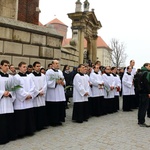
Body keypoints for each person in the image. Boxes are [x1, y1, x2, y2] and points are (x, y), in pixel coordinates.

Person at [14, 62, 36, 138]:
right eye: (23, 67)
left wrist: (30, 94)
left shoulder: (29, 77)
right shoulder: (16, 77)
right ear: (19, 67)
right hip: (20, 101)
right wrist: (25, 95)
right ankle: (21, 132)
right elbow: (17, 88)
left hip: (29, 100)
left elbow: (33, 86)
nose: (25, 68)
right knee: (21, 117)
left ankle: (29, 131)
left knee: (29, 116)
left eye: (26, 67)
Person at [0, 60, 16, 144]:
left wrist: (10, 93)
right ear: (1, 66)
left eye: (8, 66)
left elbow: (13, 88)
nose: (7, 67)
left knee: (8, 119)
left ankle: (9, 136)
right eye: (5, 65)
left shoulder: (11, 77)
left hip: (9, 101)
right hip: (1, 101)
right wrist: (2, 93)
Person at [45, 59, 66, 126]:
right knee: (53, 108)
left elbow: (63, 79)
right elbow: (47, 82)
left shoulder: (60, 72)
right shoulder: (49, 72)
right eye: (56, 63)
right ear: (52, 64)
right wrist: (55, 82)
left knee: (60, 107)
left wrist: (63, 82)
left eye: (58, 63)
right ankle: (53, 121)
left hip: (60, 91)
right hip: (53, 94)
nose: (57, 64)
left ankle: (59, 120)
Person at [29, 61, 47, 131]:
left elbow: (45, 85)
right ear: (33, 67)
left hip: (41, 96)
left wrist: (42, 91)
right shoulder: (30, 76)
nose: (39, 68)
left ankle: (41, 125)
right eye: (37, 66)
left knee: (41, 111)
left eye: (39, 66)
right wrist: (38, 92)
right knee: (35, 111)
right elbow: (32, 86)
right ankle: (35, 125)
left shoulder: (43, 76)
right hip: (36, 96)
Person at [137, 63, 150, 127]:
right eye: (149, 66)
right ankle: (142, 121)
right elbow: (147, 83)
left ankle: (139, 120)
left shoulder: (140, 72)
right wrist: (149, 92)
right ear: (146, 66)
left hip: (140, 92)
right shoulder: (146, 73)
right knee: (144, 107)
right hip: (145, 92)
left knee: (141, 107)